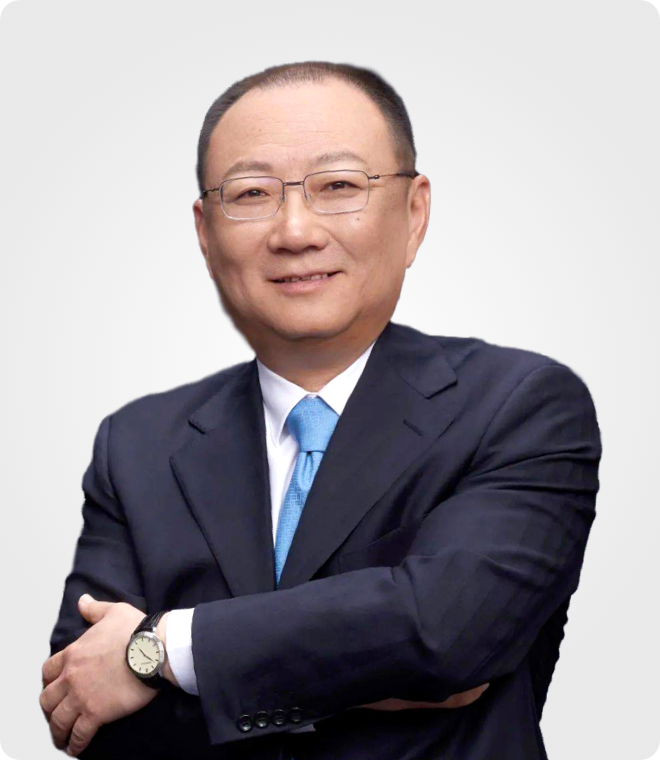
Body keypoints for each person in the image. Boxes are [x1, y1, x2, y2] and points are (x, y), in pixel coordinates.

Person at [40, 61, 602, 760]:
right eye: (251, 193)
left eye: (338, 186)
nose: (296, 230)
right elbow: (83, 704)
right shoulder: (137, 444)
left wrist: (159, 650)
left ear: (414, 213)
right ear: (206, 233)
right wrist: (363, 660)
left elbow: (445, 636)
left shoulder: (520, 406)